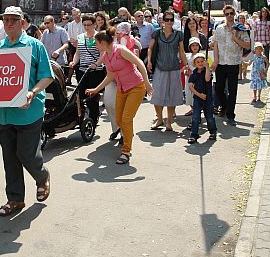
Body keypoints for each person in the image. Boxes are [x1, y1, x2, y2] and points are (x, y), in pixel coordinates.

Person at [0, 6, 53, 217]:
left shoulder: (35, 46)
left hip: (29, 112)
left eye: (13, 20)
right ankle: (15, 199)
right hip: (4, 114)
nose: (9, 23)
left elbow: (47, 76)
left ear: (22, 22)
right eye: (6, 19)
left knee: (27, 154)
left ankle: (42, 175)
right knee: (9, 159)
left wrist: (32, 92)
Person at [86, 28, 151, 164]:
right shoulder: (105, 56)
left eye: (97, 44)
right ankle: (128, 133)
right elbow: (110, 75)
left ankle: (126, 151)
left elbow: (139, 63)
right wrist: (96, 89)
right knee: (120, 120)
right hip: (122, 89)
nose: (96, 47)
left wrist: (147, 83)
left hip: (136, 87)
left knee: (126, 119)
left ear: (103, 43)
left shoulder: (120, 50)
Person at [147, 10, 187, 132]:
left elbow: (181, 51)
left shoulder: (179, 34)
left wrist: (186, 65)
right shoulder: (157, 33)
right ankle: (159, 119)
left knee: (172, 95)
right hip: (159, 67)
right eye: (167, 19)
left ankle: (169, 122)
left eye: (171, 19)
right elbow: (150, 48)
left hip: (174, 68)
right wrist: (149, 61)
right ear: (163, 21)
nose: (169, 22)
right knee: (157, 94)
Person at [212, 4, 251, 126]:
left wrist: (235, 38)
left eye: (231, 13)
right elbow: (216, 44)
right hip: (221, 62)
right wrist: (215, 60)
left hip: (234, 62)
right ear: (224, 15)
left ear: (234, 14)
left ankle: (230, 115)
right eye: (227, 14)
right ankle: (224, 106)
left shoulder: (240, 29)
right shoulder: (219, 28)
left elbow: (247, 45)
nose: (229, 16)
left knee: (232, 90)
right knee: (218, 88)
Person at [69, 14, 106, 125]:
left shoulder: (99, 36)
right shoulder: (80, 37)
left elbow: (103, 54)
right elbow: (78, 53)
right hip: (82, 70)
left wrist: (96, 64)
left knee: (91, 96)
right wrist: (74, 62)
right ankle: (83, 118)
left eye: (89, 25)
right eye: (84, 25)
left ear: (94, 24)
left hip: (95, 71)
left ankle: (93, 118)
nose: (86, 27)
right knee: (80, 95)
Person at [187, 52, 217, 144]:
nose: (200, 63)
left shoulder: (208, 72)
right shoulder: (193, 74)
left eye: (202, 61)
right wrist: (199, 95)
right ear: (195, 64)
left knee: (209, 117)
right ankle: (194, 134)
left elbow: (207, 79)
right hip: (197, 98)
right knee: (195, 117)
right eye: (198, 62)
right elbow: (191, 87)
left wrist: (207, 67)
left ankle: (212, 132)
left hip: (208, 98)